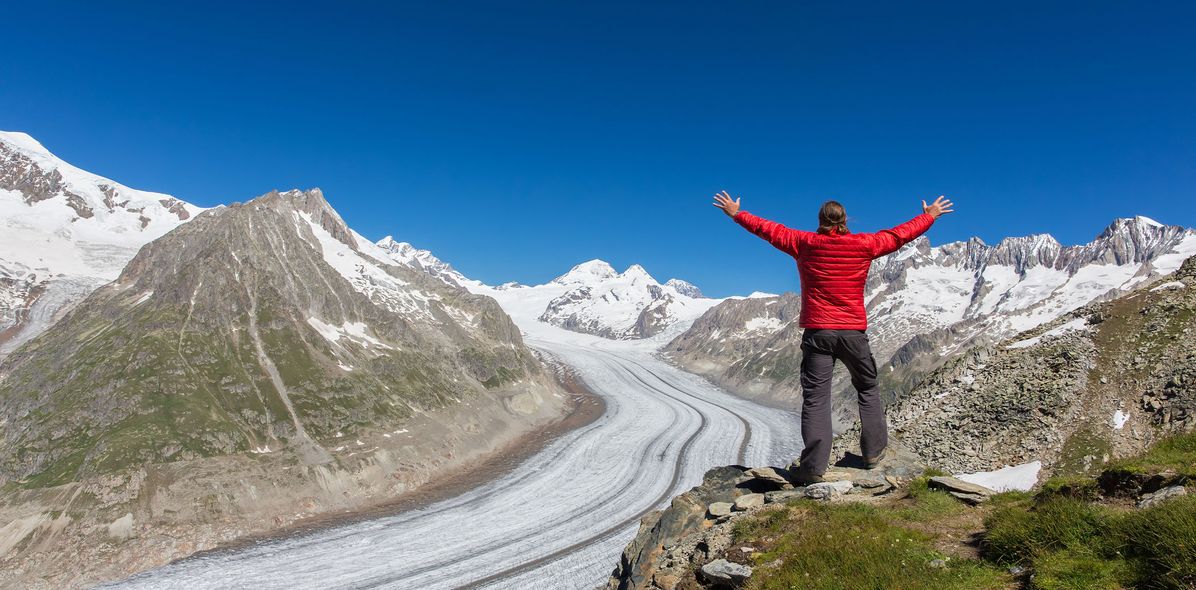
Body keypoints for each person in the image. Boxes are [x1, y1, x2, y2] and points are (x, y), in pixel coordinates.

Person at [712, 191, 954, 483]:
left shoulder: (804, 243)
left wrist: (737, 214)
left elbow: (769, 230)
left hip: (818, 333)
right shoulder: (864, 244)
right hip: (853, 331)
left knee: (816, 398)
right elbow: (898, 235)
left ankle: (813, 468)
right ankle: (874, 453)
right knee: (867, 388)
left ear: (820, 220)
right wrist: (929, 216)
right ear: (844, 220)